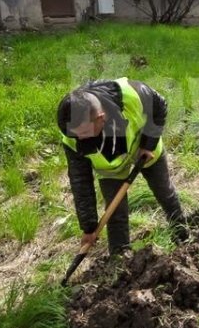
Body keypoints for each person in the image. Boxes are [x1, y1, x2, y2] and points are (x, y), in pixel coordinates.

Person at [57, 78, 189, 256]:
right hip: (111, 170)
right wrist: (88, 227)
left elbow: (160, 106)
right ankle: (120, 262)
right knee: (115, 215)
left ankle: (183, 238)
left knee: (164, 192)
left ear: (100, 118)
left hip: (144, 152)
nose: (79, 139)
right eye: (75, 135)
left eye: (84, 133)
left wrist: (148, 144)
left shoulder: (131, 94)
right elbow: (80, 181)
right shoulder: (73, 135)